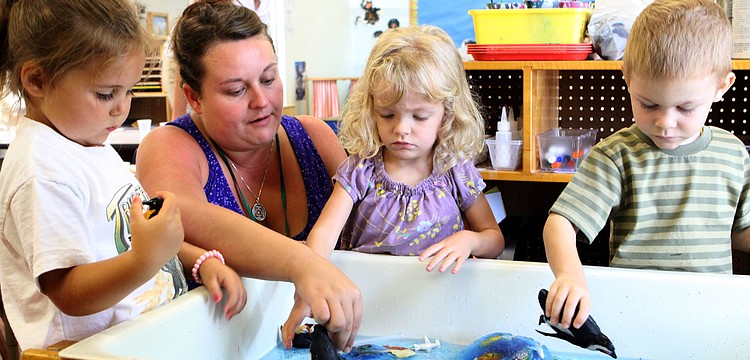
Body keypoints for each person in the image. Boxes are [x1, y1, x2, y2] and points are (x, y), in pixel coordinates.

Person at [0, 0, 246, 351]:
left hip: (143, 337)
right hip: (88, 351)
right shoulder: (41, 172)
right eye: (105, 94)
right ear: (37, 80)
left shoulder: (89, 141)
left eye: (129, 90)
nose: (121, 107)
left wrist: (199, 262)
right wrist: (142, 261)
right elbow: (68, 292)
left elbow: (143, 237)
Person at [135, 0, 362, 351]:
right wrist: (304, 263)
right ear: (193, 96)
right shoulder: (169, 145)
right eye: (236, 90)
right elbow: (183, 215)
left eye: (269, 79)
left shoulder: (314, 138)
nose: (261, 100)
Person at [542, 0, 750, 333]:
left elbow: (739, 231)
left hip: (711, 316)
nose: (665, 122)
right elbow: (561, 223)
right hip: (632, 311)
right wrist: (570, 275)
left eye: (686, 107)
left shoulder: (734, 153)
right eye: (649, 104)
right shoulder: (617, 155)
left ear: (721, 87)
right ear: (626, 77)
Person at [305, 25, 504, 273]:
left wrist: (470, 240)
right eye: (387, 115)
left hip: (439, 298)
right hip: (369, 295)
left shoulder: (455, 171)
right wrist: (309, 275)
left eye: (420, 117)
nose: (401, 129)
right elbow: (324, 234)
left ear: (447, 114)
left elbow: (494, 240)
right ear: (371, 110)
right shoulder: (360, 171)